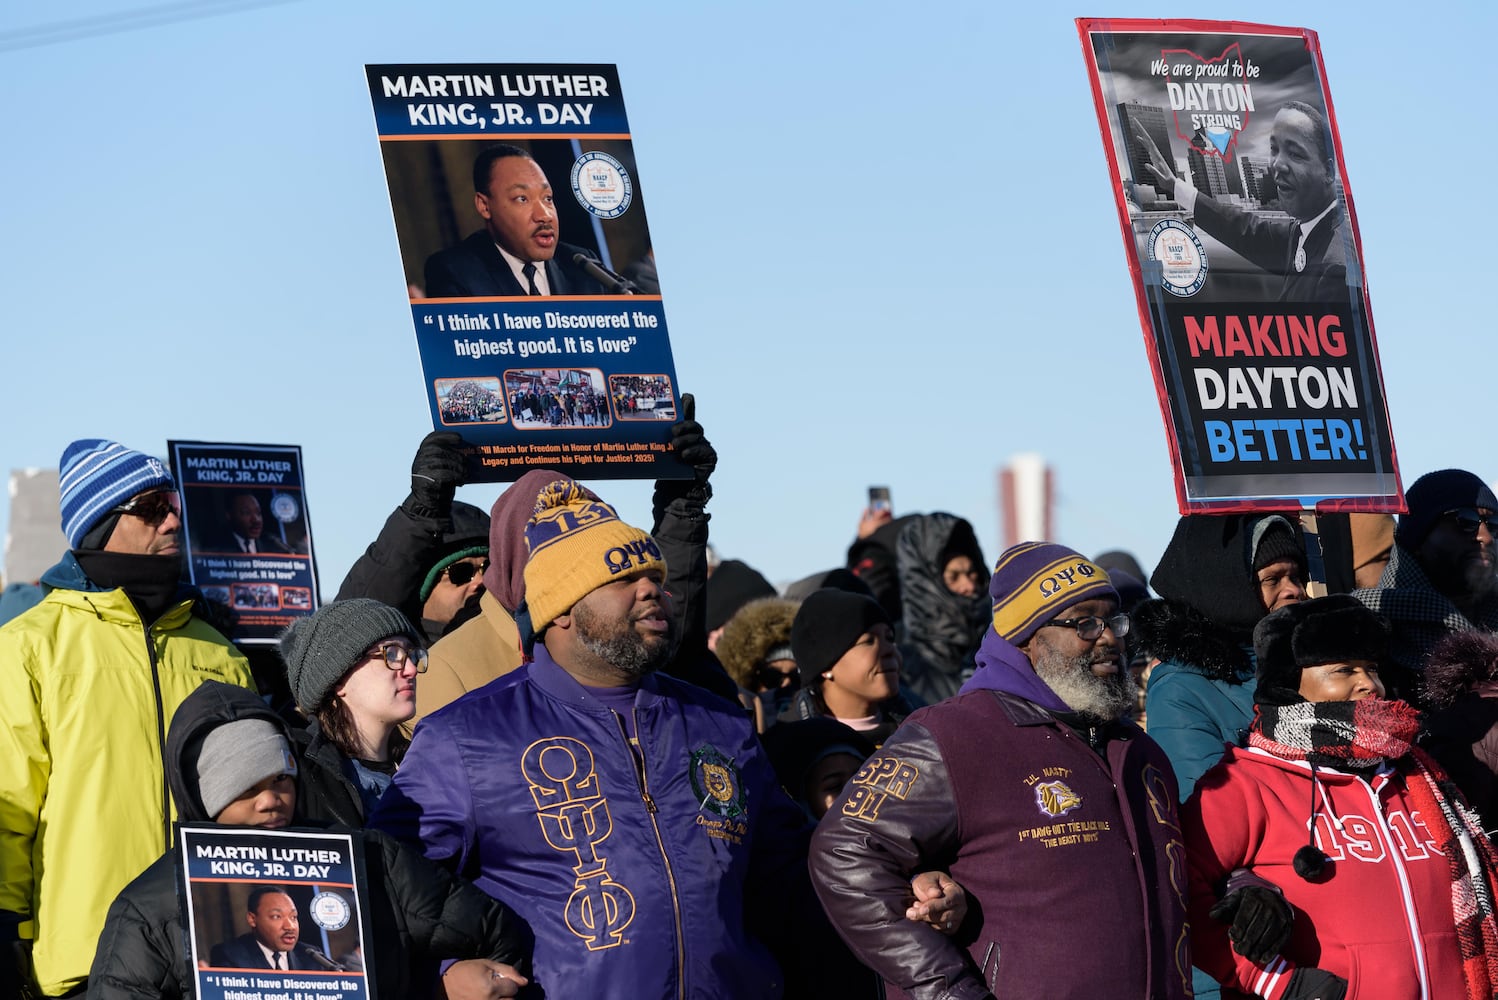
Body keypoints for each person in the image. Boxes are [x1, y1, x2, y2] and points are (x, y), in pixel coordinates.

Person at [374, 482, 958, 997]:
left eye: (654, 576)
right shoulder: (468, 735)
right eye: (622, 579)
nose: (651, 589)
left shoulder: (718, 723)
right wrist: (446, 975)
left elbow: (793, 871)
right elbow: (384, 889)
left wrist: (902, 885)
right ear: (561, 613)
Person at [810, 542, 1195, 999]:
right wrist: (946, 988)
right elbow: (843, 851)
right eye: (1084, 623)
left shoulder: (1139, 751)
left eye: (1114, 620)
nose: (1109, 637)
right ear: (1027, 639)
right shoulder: (954, 735)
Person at [0, 438, 256, 997]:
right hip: (85, 959)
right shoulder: (27, 647)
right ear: (97, 527)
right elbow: (7, 808)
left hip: (217, 953)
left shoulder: (218, 649)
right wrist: (6, 926)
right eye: (149, 509)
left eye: (174, 506)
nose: (171, 522)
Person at [87, 679, 528, 999]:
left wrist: (442, 985)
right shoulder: (148, 908)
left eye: (282, 779)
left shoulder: (369, 860)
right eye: (245, 788)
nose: (270, 801)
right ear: (203, 798)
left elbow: (499, 931)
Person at [1183, 594, 1498, 999]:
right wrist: (1284, 983)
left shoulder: (1417, 775)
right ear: (1289, 685)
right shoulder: (1244, 783)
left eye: (1372, 668)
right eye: (1344, 669)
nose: (1369, 683)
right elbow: (1179, 894)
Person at [413, 396, 734, 727]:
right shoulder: (447, 668)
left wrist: (682, 505)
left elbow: (668, 617)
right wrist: (421, 512)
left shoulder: (611, 649)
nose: (646, 590)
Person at [1135, 100, 1349, 301]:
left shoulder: (1335, 268)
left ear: (1328, 171)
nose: (1277, 164)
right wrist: (1175, 186)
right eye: (1274, 149)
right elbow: (1242, 228)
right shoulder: (1304, 231)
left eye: (1295, 154)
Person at [280, 599, 427, 826]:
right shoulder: (301, 779)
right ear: (339, 679)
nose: (411, 669)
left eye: (412, 655)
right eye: (391, 654)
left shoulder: (427, 766)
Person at [1354, 468, 1498, 700]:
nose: (1486, 537)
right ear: (1418, 540)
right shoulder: (1369, 630)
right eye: (1466, 520)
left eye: (1493, 523)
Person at [336, 431, 490, 643]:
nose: (481, 581)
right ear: (422, 590)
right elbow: (350, 626)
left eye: (490, 568)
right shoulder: (403, 666)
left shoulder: (523, 651)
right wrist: (422, 513)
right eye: (460, 573)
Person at [424, 144, 611, 298]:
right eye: (522, 198)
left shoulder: (584, 266)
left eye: (547, 198)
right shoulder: (455, 272)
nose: (545, 215)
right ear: (484, 206)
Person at [783, 588, 914, 746]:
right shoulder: (788, 745)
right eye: (868, 641)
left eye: (889, 638)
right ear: (825, 666)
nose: (889, 650)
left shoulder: (924, 733)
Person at [893, 512, 989, 704]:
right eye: (954, 577)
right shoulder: (897, 664)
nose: (969, 586)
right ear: (925, 584)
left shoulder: (998, 652)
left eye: (973, 574)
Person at [209, 886, 334, 970]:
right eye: (276, 916)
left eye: (293, 917)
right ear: (252, 919)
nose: (290, 927)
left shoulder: (312, 956)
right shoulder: (230, 955)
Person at [206, 491, 290, 554]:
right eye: (246, 513)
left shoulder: (272, 544)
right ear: (229, 515)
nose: (256, 520)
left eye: (258, 513)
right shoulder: (216, 549)